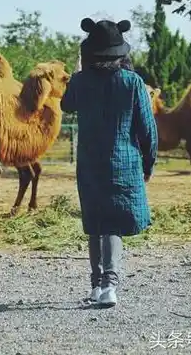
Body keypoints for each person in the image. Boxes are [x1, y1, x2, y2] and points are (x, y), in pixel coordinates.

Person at [61, 17, 158, 308]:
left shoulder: (80, 81)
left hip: (89, 163)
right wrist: (148, 163)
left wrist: (78, 72)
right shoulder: (133, 82)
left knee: (95, 221)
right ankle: (109, 286)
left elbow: (66, 105)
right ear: (121, 52)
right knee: (112, 223)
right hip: (123, 163)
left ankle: (95, 285)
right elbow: (147, 130)